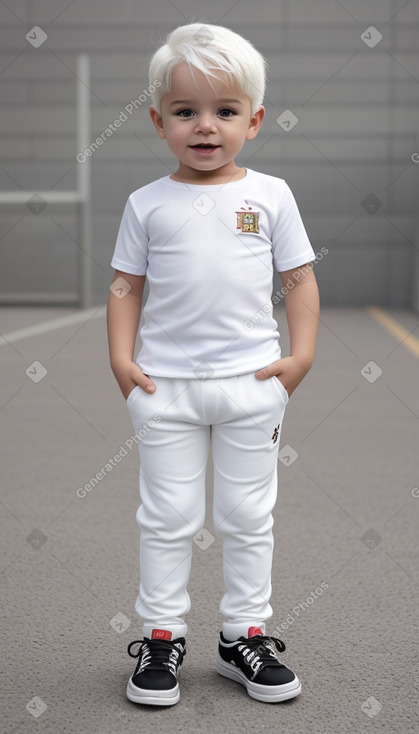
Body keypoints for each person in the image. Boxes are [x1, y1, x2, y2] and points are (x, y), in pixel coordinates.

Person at [107, 21, 320, 707]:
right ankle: (162, 638)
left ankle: (241, 636)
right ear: (157, 120)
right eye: (185, 111)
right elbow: (125, 287)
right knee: (165, 517)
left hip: (252, 386)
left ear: (253, 120)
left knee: (246, 515)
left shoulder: (272, 196)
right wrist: (120, 360)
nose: (205, 126)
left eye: (224, 111)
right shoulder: (145, 203)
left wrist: (300, 356)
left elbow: (299, 280)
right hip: (163, 389)